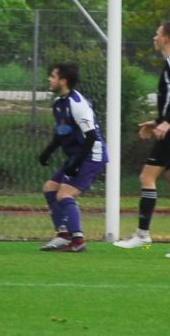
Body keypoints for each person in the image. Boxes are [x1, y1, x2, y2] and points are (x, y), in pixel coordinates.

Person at [113, 21, 170, 258]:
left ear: (165, 39)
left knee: (146, 176)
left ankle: (142, 235)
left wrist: (167, 122)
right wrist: (158, 121)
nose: (154, 37)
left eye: (157, 34)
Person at [37, 62, 108, 253]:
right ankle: (63, 235)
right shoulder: (59, 103)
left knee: (64, 194)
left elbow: (91, 137)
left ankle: (78, 240)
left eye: (52, 76)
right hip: (78, 155)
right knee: (50, 188)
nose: (49, 79)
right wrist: (48, 151)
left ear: (63, 81)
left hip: (91, 154)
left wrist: (76, 164)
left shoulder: (78, 104)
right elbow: (62, 133)